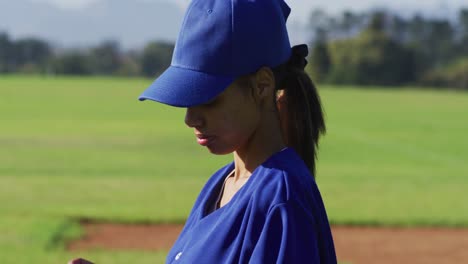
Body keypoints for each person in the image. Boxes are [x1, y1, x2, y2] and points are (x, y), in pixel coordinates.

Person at [69, 0, 336, 263]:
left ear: (262, 86)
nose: (190, 118)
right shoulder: (221, 183)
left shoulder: (281, 200)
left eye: (208, 100)